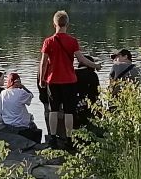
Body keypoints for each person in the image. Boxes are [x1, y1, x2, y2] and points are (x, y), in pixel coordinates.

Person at [38, 10, 100, 147]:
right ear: (67, 24)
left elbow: (43, 63)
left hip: (52, 80)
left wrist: (42, 79)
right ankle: (69, 139)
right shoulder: (72, 41)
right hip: (69, 80)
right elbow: (81, 59)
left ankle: (53, 138)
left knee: (53, 110)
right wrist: (95, 65)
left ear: (54, 24)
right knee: (69, 111)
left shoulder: (48, 42)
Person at [0, 72, 41, 143]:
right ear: (17, 82)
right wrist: (23, 87)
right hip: (21, 123)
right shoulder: (21, 92)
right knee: (32, 121)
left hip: (7, 122)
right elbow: (31, 95)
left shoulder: (3, 93)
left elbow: (0, 111)